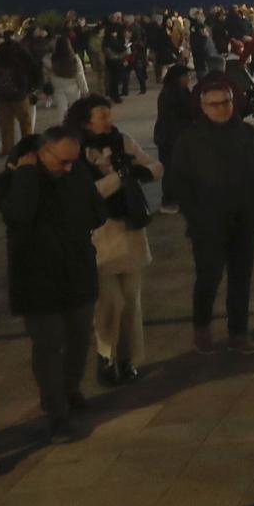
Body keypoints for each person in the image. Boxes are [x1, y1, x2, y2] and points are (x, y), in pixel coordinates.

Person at [0, 128, 104, 441]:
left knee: (79, 338)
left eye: (74, 161)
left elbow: (97, 212)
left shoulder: (77, 172)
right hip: (37, 279)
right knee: (48, 345)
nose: (69, 168)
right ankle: (56, 412)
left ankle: (71, 390)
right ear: (41, 153)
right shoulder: (11, 181)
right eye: (62, 162)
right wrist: (27, 176)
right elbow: (19, 214)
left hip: (77, 270)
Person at [164, 74, 254, 355]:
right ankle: (202, 326)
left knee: (241, 279)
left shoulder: (247, 134)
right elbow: (179, 183)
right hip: (207, 224)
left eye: (225, 102)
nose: (221, 108)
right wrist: (195, 216)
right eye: (214, 104)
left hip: (242, 220)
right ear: (204, 107)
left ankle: (238, 332)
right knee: (208, 277)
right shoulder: (190, 140)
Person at [62, 94, 161, 387]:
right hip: (99, 236)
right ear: (86, 120)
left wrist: (140, 172)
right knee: (109, 303)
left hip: (129, 230)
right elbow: (87, 192)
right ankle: (106, 357)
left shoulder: (123, 141)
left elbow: (154, 166)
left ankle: (128, 358)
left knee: (131, 301)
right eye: (101, 114)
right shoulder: (77, 151)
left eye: (108, 112)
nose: (108, 118)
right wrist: (120, 177)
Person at [153, 64, 197, 216]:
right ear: (178, 78)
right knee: (172, 170)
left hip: (176, 136)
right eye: (186, 76)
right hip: (170, 138)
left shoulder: (181, 91)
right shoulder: (171, 93)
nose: (188, 79)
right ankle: (169, 201)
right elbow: (182, 114)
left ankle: (180, 198)